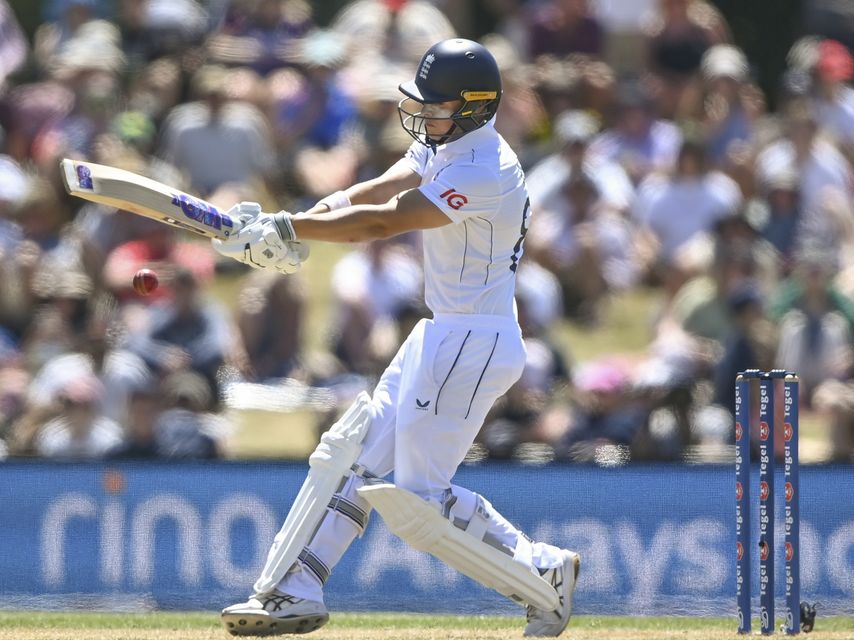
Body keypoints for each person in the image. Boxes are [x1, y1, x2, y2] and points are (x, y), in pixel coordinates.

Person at [212, 38, 579, 637]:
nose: (424, 116)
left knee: (416, 507)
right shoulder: (445, 141)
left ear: (475, 107)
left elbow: (387, 221)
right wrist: (292, 227)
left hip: (474, 342)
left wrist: (289, 226)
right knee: (350, 451)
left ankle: (543, 574)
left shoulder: (486, 168)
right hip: (442, 333)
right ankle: (292, 591)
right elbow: (374, 192)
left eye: (437, 107)